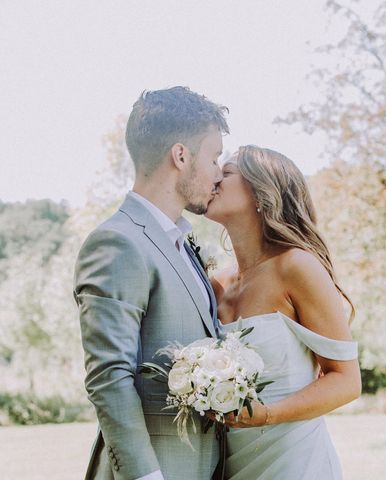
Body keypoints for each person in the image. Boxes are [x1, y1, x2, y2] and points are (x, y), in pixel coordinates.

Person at [74, 86, 229, 480]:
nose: (218, 174)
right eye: (213, 158)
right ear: (180, 156)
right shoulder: (119, 242)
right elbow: (109, 376)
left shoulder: (182, 242)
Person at [205, 145, 362, 479]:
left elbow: (347, 380)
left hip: (295, 460)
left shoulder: (297, 266)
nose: (215, 176)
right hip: (230, 462)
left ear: (262, 193)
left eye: (228, 172)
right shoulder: (215, 282)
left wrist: (267, 414)